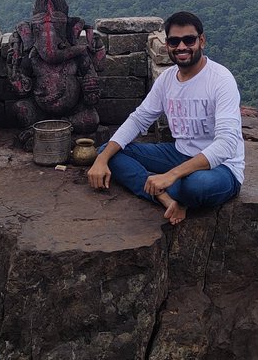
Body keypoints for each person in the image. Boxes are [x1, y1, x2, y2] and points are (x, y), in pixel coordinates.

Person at [87, 11, 243, 225]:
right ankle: (163, 196)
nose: (181, 47)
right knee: (108, 151)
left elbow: (226, 145)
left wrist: (172, 175)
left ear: (202, 41)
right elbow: (138, 119)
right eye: (174, 41)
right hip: (179, 154)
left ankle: (166, 186)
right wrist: (101, 161)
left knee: (196, 185)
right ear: (167, 44)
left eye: (189, 40)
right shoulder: (167, 80)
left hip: (221, 168)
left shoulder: (220, 80)